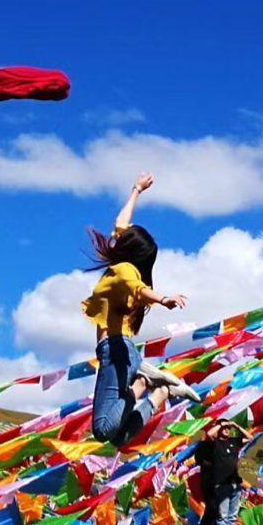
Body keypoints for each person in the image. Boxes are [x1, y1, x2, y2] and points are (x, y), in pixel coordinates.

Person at [84, 173, 191, 446]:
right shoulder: (126, 264)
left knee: (103, 429)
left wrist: (162, 299)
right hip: (123, 350)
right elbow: (120, 224)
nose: (116, 238)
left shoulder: (124, 270)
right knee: (119, 437)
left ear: (128, 248)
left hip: (115, 349)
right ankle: (159, 396)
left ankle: (142, 385)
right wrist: (136, 190)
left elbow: (138, 289)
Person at [194, 420, 251, 525]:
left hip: (232, 483)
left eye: (228, 428)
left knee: (229, 514)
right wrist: (220, 425)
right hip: (214, 482)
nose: (227, 429)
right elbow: (201, 456)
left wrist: (236, 425)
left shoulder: (233, 442)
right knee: (216, 512)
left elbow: (250, 438)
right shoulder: (210, 444)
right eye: (225, 427)